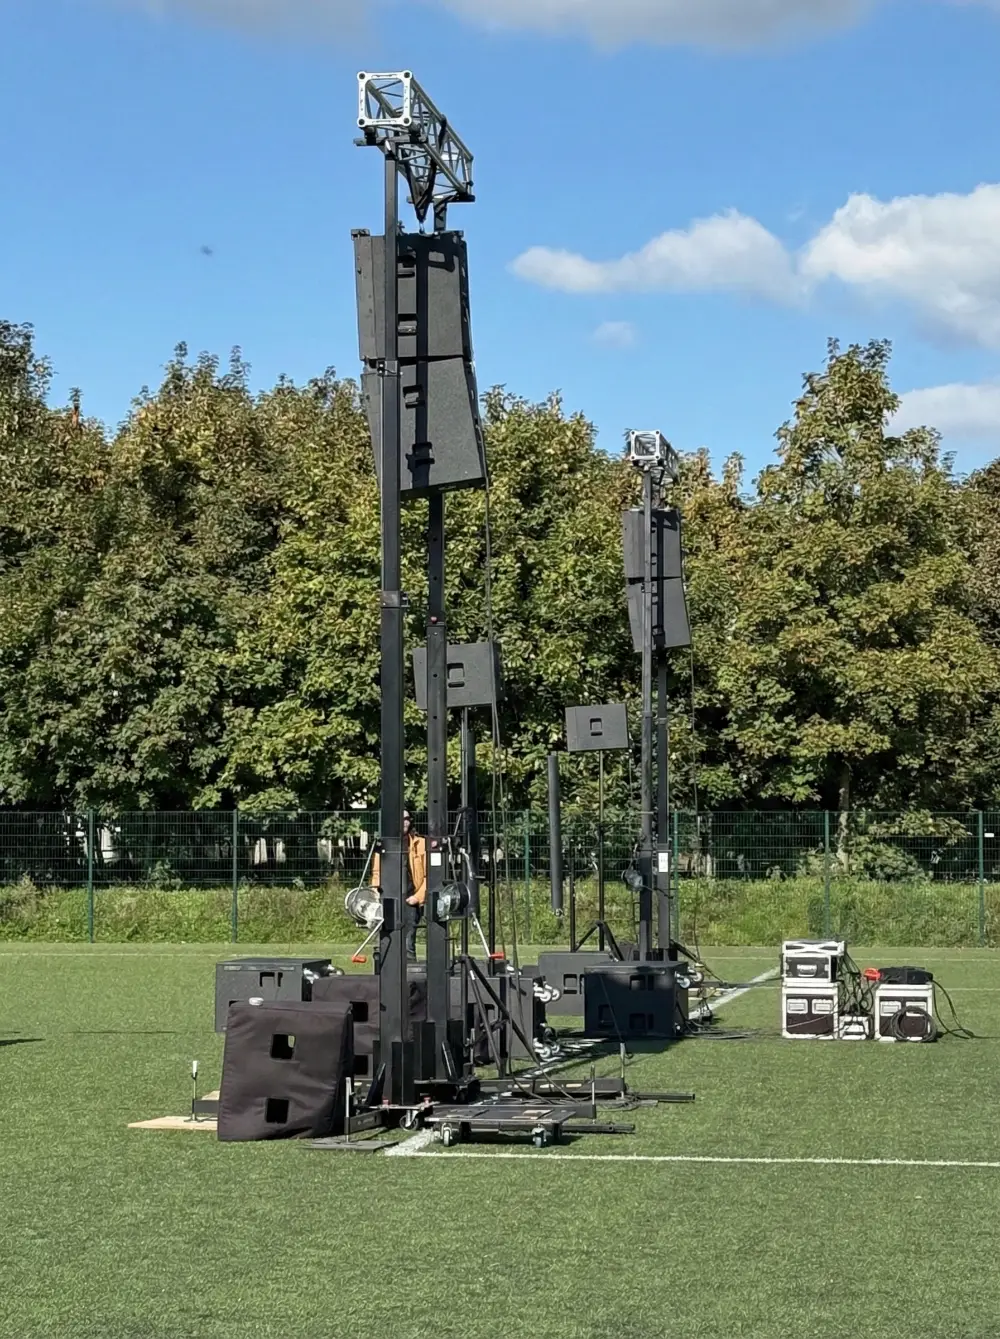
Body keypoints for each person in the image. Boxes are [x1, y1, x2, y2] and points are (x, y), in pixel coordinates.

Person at [371, 810, 427, 960]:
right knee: (385, 942)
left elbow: (430, 875)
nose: (406, 822)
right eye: (402, 819)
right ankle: (383, 976)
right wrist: (376, 891)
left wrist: (418, 897)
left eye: (408, 819)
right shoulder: (383, 845)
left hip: (410, 899)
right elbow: (377, 872)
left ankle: (410, 978)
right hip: (388, 897)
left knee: (408, 942)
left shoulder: (420, 843)